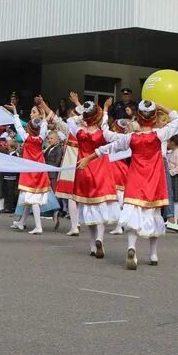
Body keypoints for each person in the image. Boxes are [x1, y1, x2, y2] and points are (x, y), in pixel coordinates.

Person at [79, 100, 178, 269]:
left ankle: (131, 248)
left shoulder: (130, 138)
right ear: (154, 118)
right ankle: (153, 254)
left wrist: (88, 158)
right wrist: (161, 106)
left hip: (135, 179)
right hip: (154, 180)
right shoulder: (159, 135)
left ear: (139, 119)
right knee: (153, 213)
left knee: (133, 213)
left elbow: (108, 142)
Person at [68, 93, 119, 258]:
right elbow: (112, 131)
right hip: (101, 171)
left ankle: (91, 246)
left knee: (88, 208)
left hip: (84, 170)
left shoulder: (80, 133)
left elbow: (70, 120)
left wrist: (81, 113)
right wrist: (104, 110)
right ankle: (99, 239)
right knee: (101, 207)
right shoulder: (103, 133)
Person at [7, 99, 54, 235]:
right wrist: (44, 117)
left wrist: (15, 112)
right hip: (38, 168)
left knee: (32, 198)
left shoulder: (27, 137)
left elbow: (18, 127)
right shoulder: (40, 138)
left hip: (31, 170)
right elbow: (44, 127)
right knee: (29, 198)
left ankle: (38, 226)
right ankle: (22, 222)